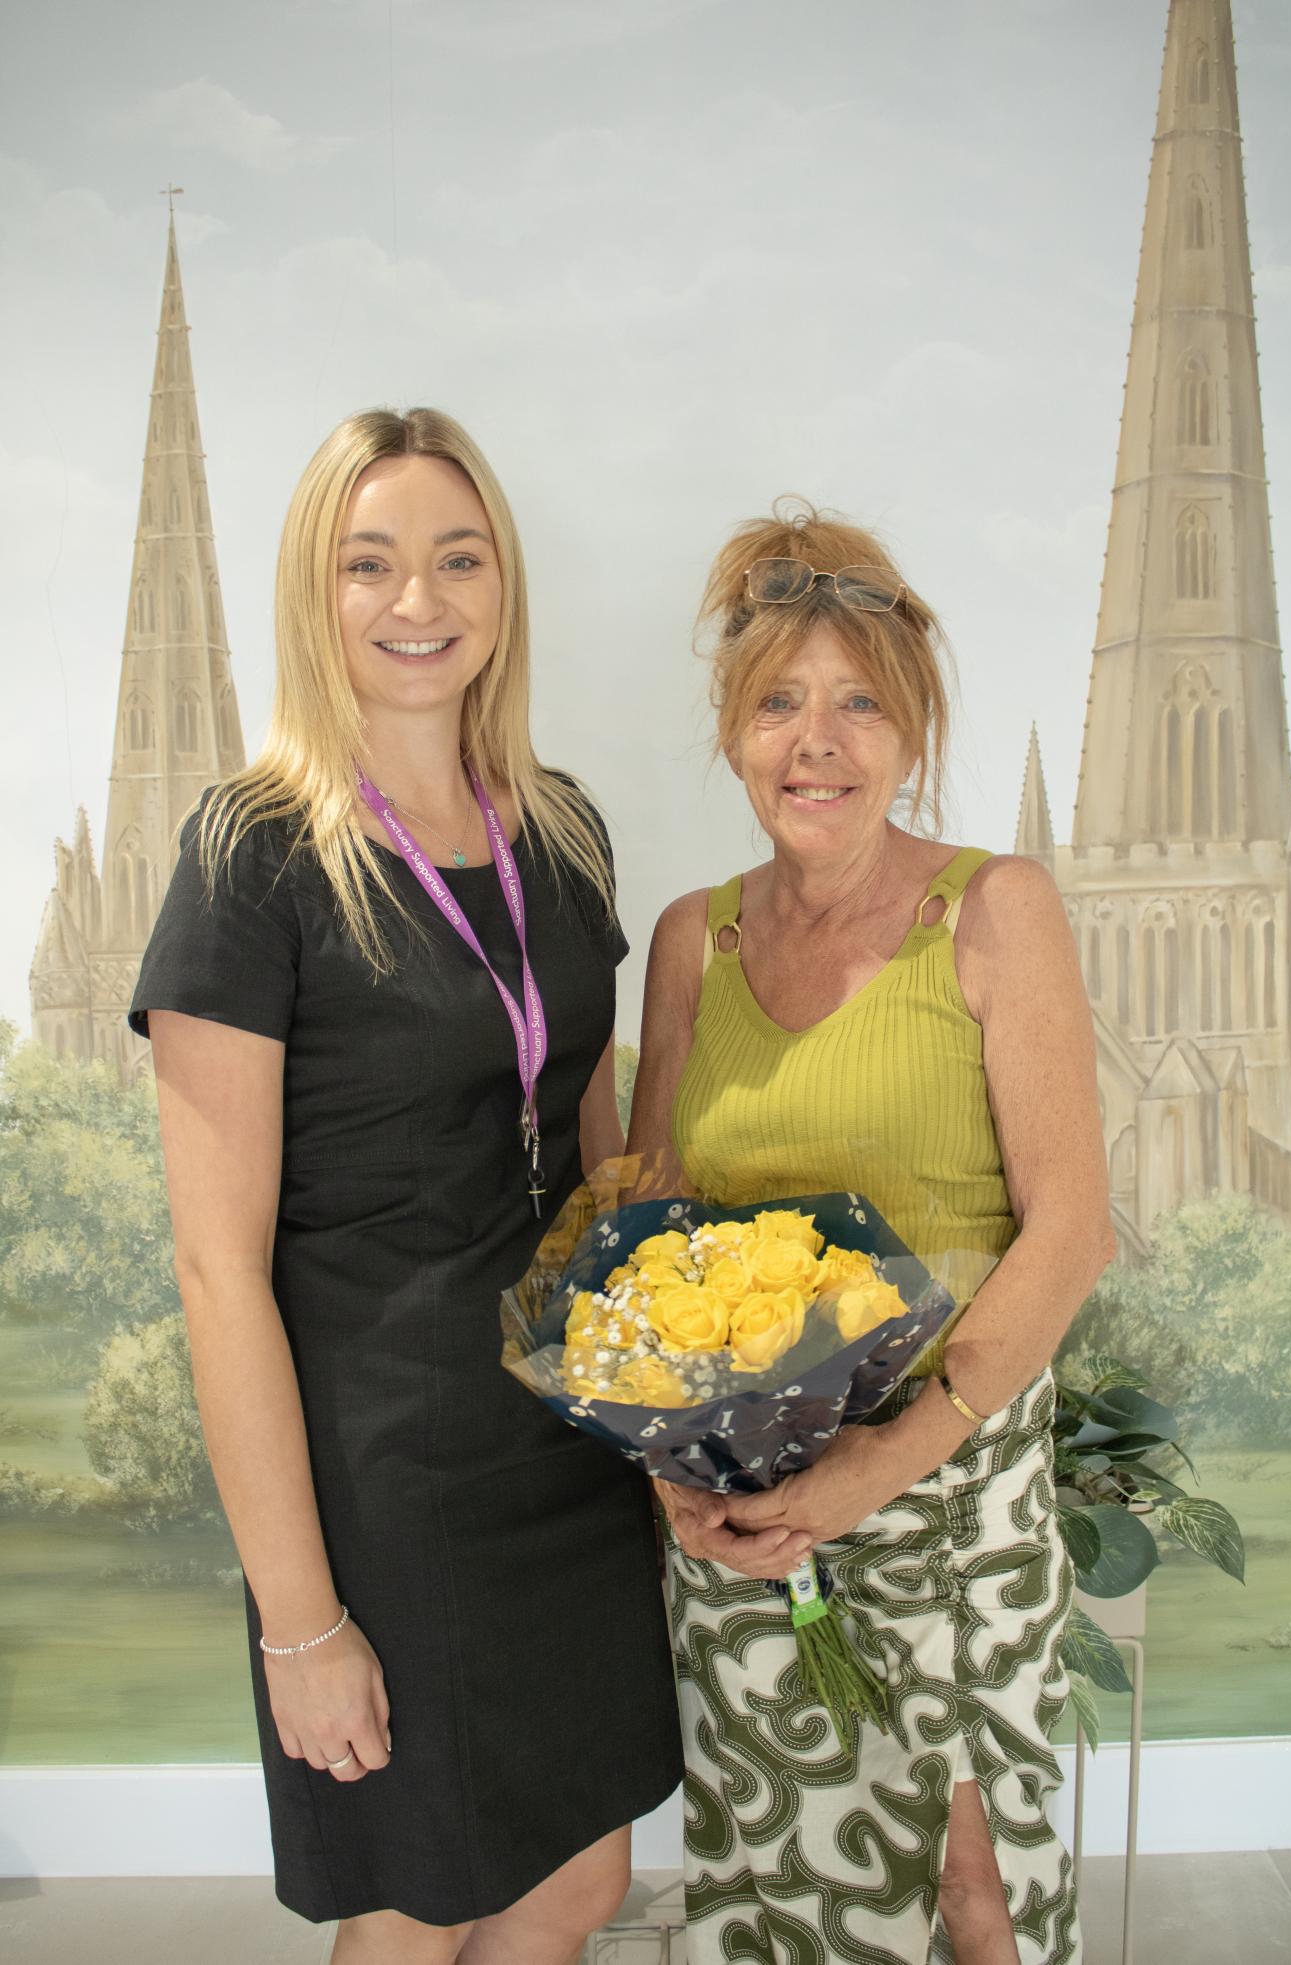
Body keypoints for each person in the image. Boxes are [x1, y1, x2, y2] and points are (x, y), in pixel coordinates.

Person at [129, 408, 682, 1964]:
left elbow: (584, 1153)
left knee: (577, 1878)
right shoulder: (253, 854)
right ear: (318, 592)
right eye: (368, 563)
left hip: (561, 1466)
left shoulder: (561, 831)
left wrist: (686, 1401)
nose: (416, 598)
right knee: (415, 1901)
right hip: (385, 1483)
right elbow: (214, 1271)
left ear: (502, 583)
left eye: (456, 555)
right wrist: (301, 1621)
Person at [627, 503, 1114, 1965]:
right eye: (778, 700)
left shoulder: (993, 911)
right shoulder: (685, 938)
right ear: (733, 730)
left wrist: (880, 1462)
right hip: (751, 1518)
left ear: (909, 730)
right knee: (781, 1892)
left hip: (953, 1497)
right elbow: (643, 1229)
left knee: (977, 1896)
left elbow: (1072, 1226)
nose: (815, 741)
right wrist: (673, 1471)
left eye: (856, 703)